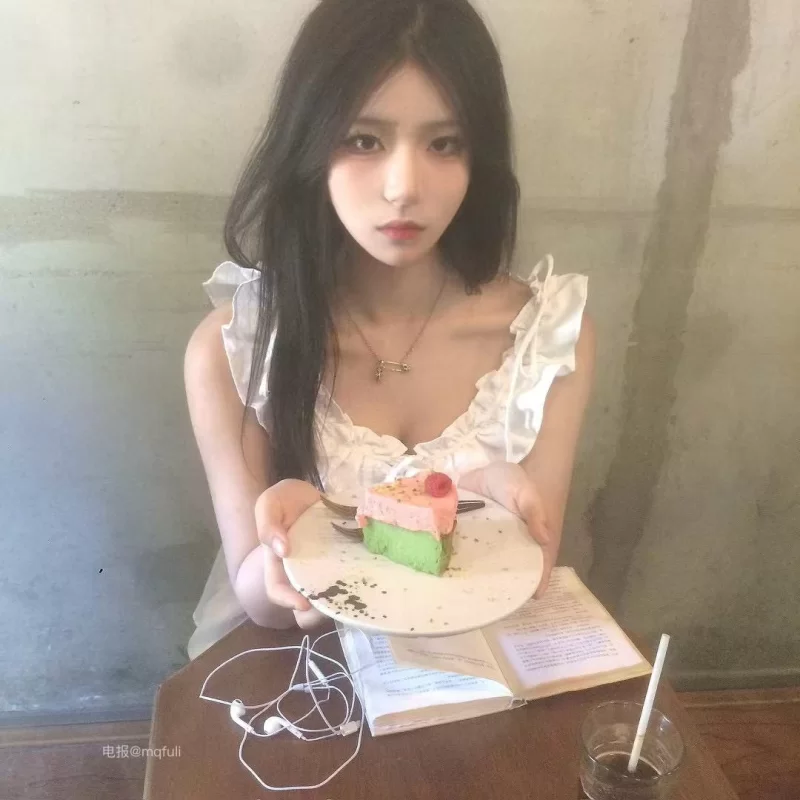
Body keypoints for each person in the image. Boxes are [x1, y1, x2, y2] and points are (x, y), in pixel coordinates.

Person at [184, 0, 594, 659]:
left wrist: (484, 495)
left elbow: (531, 575)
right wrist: (298, 537)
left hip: (472, 673)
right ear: (310, 144)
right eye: (364, 140)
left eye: (444, 143)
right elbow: (259, 604)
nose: (404, 188)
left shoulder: (543, 340)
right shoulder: (235, 347)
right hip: (300, 678)